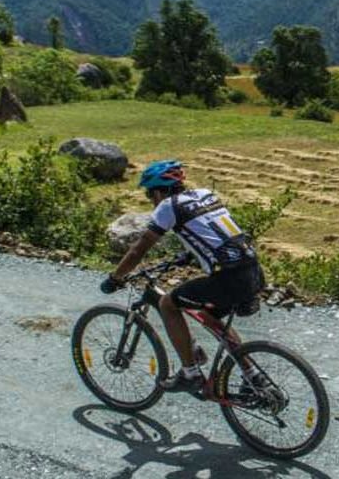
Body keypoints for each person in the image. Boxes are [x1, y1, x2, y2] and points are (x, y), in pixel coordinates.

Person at [100, 160, 264, 393]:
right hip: (253, 270)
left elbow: (139, 249)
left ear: (158, 191)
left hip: (229, 277)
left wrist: (116, 277)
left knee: (168, 304)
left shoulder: (167, 206)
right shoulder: (205, 194)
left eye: (149, 194)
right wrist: (190, 254)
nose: (151, 200)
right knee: (210, 316)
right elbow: (213, 232)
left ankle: (190, 373)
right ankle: (254, 376)